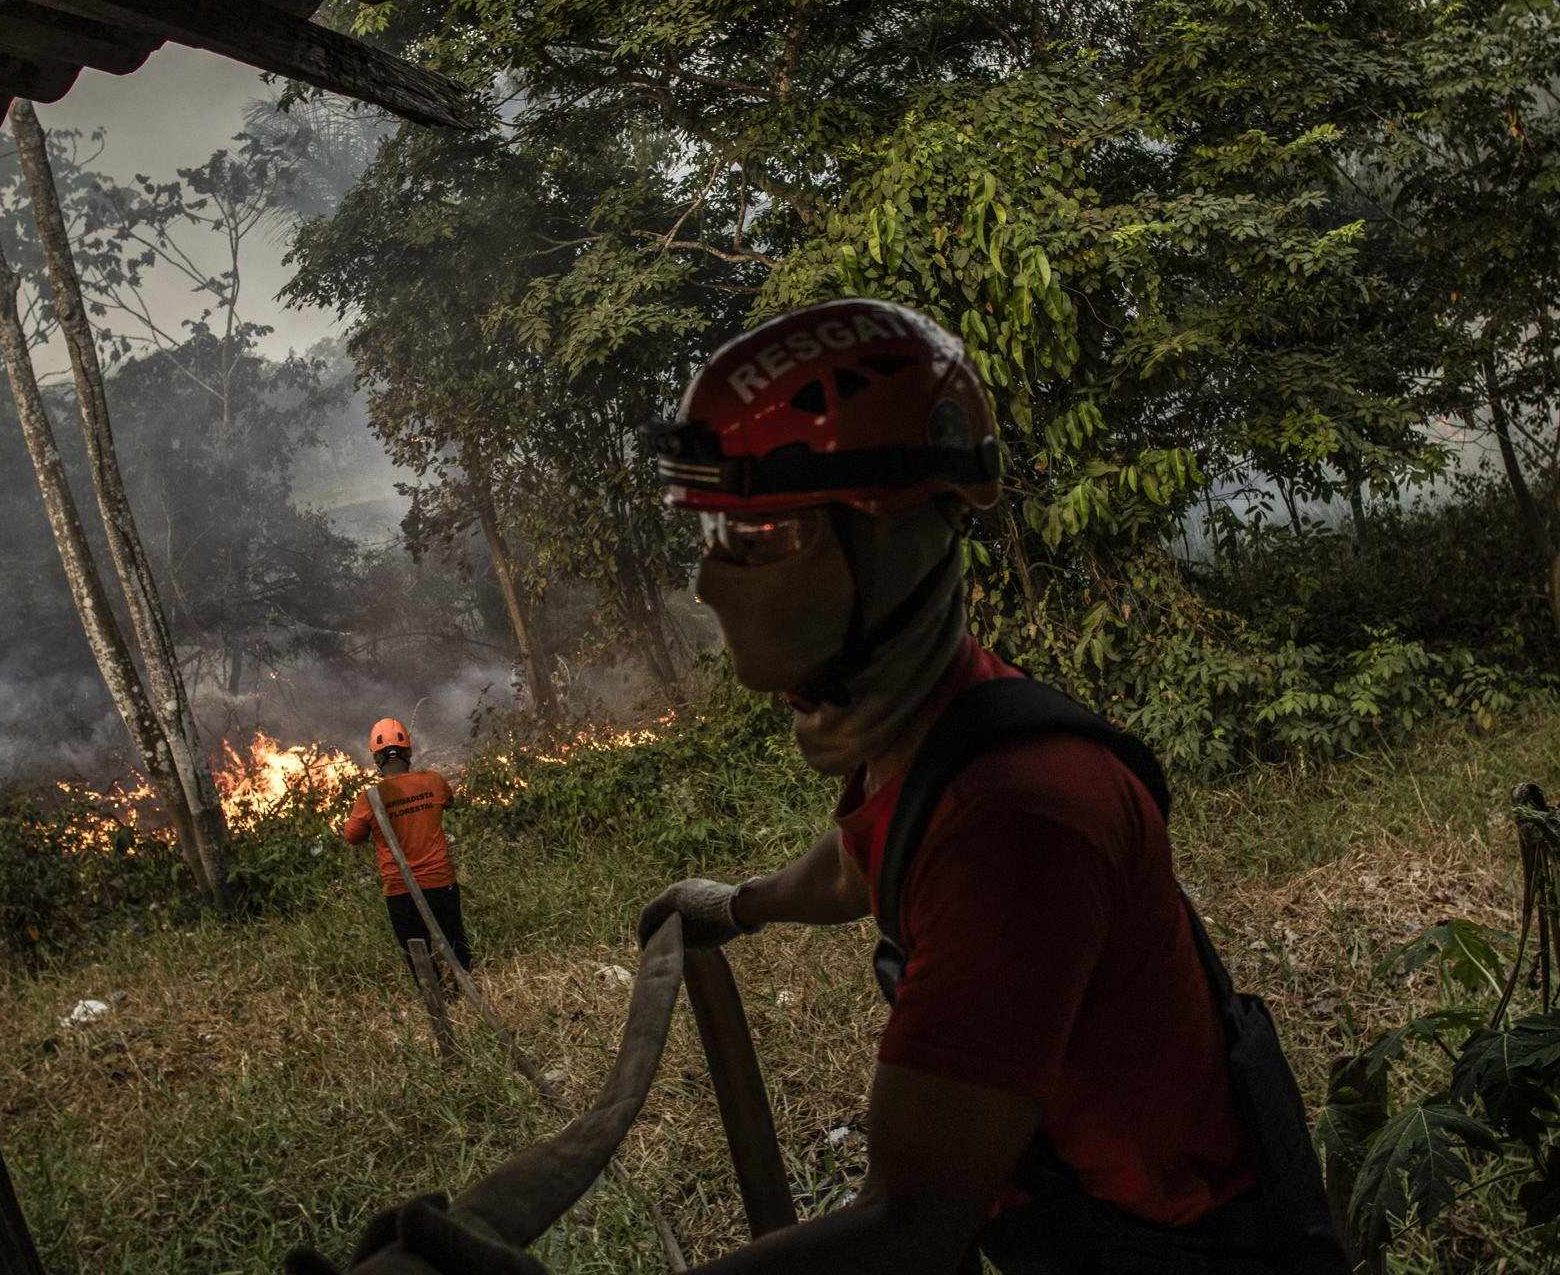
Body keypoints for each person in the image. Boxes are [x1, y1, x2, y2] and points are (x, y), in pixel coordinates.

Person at [341, 301, 1348, 1274]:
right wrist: (738, 904)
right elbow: (865, 856)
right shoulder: (942, 725)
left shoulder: (1018, 824)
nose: (711, 582)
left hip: (1171, 1247)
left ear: (895, 536)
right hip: (1075, 1216)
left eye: (764, 536)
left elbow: (905, 1230)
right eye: (716, 536)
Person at [342, 717, 472, 991]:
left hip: (400, 888)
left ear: (377, 759)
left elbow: (352, 837)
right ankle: (465, 984)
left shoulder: (371, 798)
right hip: (440, 880)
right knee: (454, 937)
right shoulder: (434, 782)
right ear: (409, 752)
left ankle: (435, 996)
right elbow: (448, 800)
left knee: (416, 949)